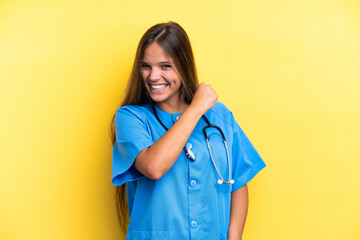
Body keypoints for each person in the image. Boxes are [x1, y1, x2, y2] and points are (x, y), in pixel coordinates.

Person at [110, 21, 266, 240]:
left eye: (165, 66)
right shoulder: (131, 118)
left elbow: (238, 180)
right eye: (146, 66)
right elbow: (154, 166)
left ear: (183, 66)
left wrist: (234, 237)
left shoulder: (218, 116)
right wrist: (196, 108)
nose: (153, 76)